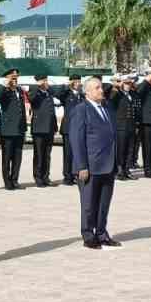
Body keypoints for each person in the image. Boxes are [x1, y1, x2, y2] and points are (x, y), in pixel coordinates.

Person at [68, 76, 121, 250]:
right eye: (97, 88)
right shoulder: (81, 110)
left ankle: (101, 233)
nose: (101, 90)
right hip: (90, 166)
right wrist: (82, 165)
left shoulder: (105, 108)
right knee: (89, 204)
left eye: (101, 87)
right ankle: (88, 235)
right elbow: (77, 140)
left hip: (108, 164)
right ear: (88, 92)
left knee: (104, 203)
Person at [0, 69, 26, 190]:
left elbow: (21, 109)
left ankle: (15, 180)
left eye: (16, 77)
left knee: (18, 157)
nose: (15, 79)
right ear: (7, 78)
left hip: (19, 129)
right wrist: (5, 84)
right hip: (8, 130)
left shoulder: (18, 90)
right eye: (12, 77)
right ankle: (7, 182)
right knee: (7, 158)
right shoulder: (4, 90)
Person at [27, 75, 57, 187]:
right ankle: (38, 177)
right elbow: (31, 99)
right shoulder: (34, 91)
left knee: (47, 155)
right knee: (39, 155)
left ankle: (46, 176)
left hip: (49, 128)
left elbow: (55, 94)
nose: (45, 82)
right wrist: (37, 86)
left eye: (46, 80)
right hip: (39, 128)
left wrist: (54, 126)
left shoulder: (48, 92)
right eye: (43, 80)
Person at [110, 75, 138, 180]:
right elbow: (112, 98)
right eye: (126, 83)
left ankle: (127, 169)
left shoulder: (131, 95)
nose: (128, 85)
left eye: (129, 83)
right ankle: (119, 170)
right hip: (121, 126)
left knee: (130, 149)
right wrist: (117, 86)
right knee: (121, 149)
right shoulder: (118, 94)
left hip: (131, 126)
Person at [59, 74, 83, 185]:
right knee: (68, 154)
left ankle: (76, 174)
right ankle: (67, 176)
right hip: (68, 128)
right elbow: (58, 94)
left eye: (79, 81)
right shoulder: (66, 94)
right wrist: (67, 86)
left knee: (78, 153)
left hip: (80, 128)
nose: (79, 84)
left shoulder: (81, 95)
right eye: (76, 82)